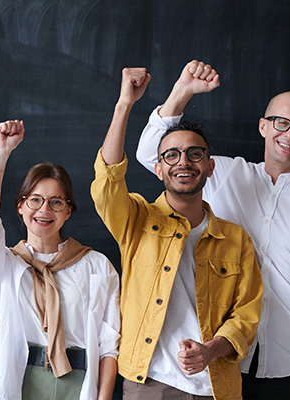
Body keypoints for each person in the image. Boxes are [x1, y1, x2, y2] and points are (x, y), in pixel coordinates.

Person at [136, 61, 290, 398]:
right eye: (281, 123)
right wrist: (180, 95)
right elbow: (150, 154)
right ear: (263, 127)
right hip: (225, 364)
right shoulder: (220, 173)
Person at [94, 67, 262, 400]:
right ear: (158, 168)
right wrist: (124, 103)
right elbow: (107, 182)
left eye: (194, 154)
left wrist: (210, 350)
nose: (183, 162)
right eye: (171, 155)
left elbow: (247, 314)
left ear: (209, 166)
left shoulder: (236, 239)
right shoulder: (137, 220)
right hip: (149, 383)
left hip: (216, 387)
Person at [0, 120, 120, 400]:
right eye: (35, 200)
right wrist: (0, 155)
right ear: (20, 206)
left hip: (79, 383)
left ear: (68, 212)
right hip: (22, 379)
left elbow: (109, 343)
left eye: (56, 202)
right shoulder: (6, 265)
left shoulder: (96, 266)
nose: (44, 209)